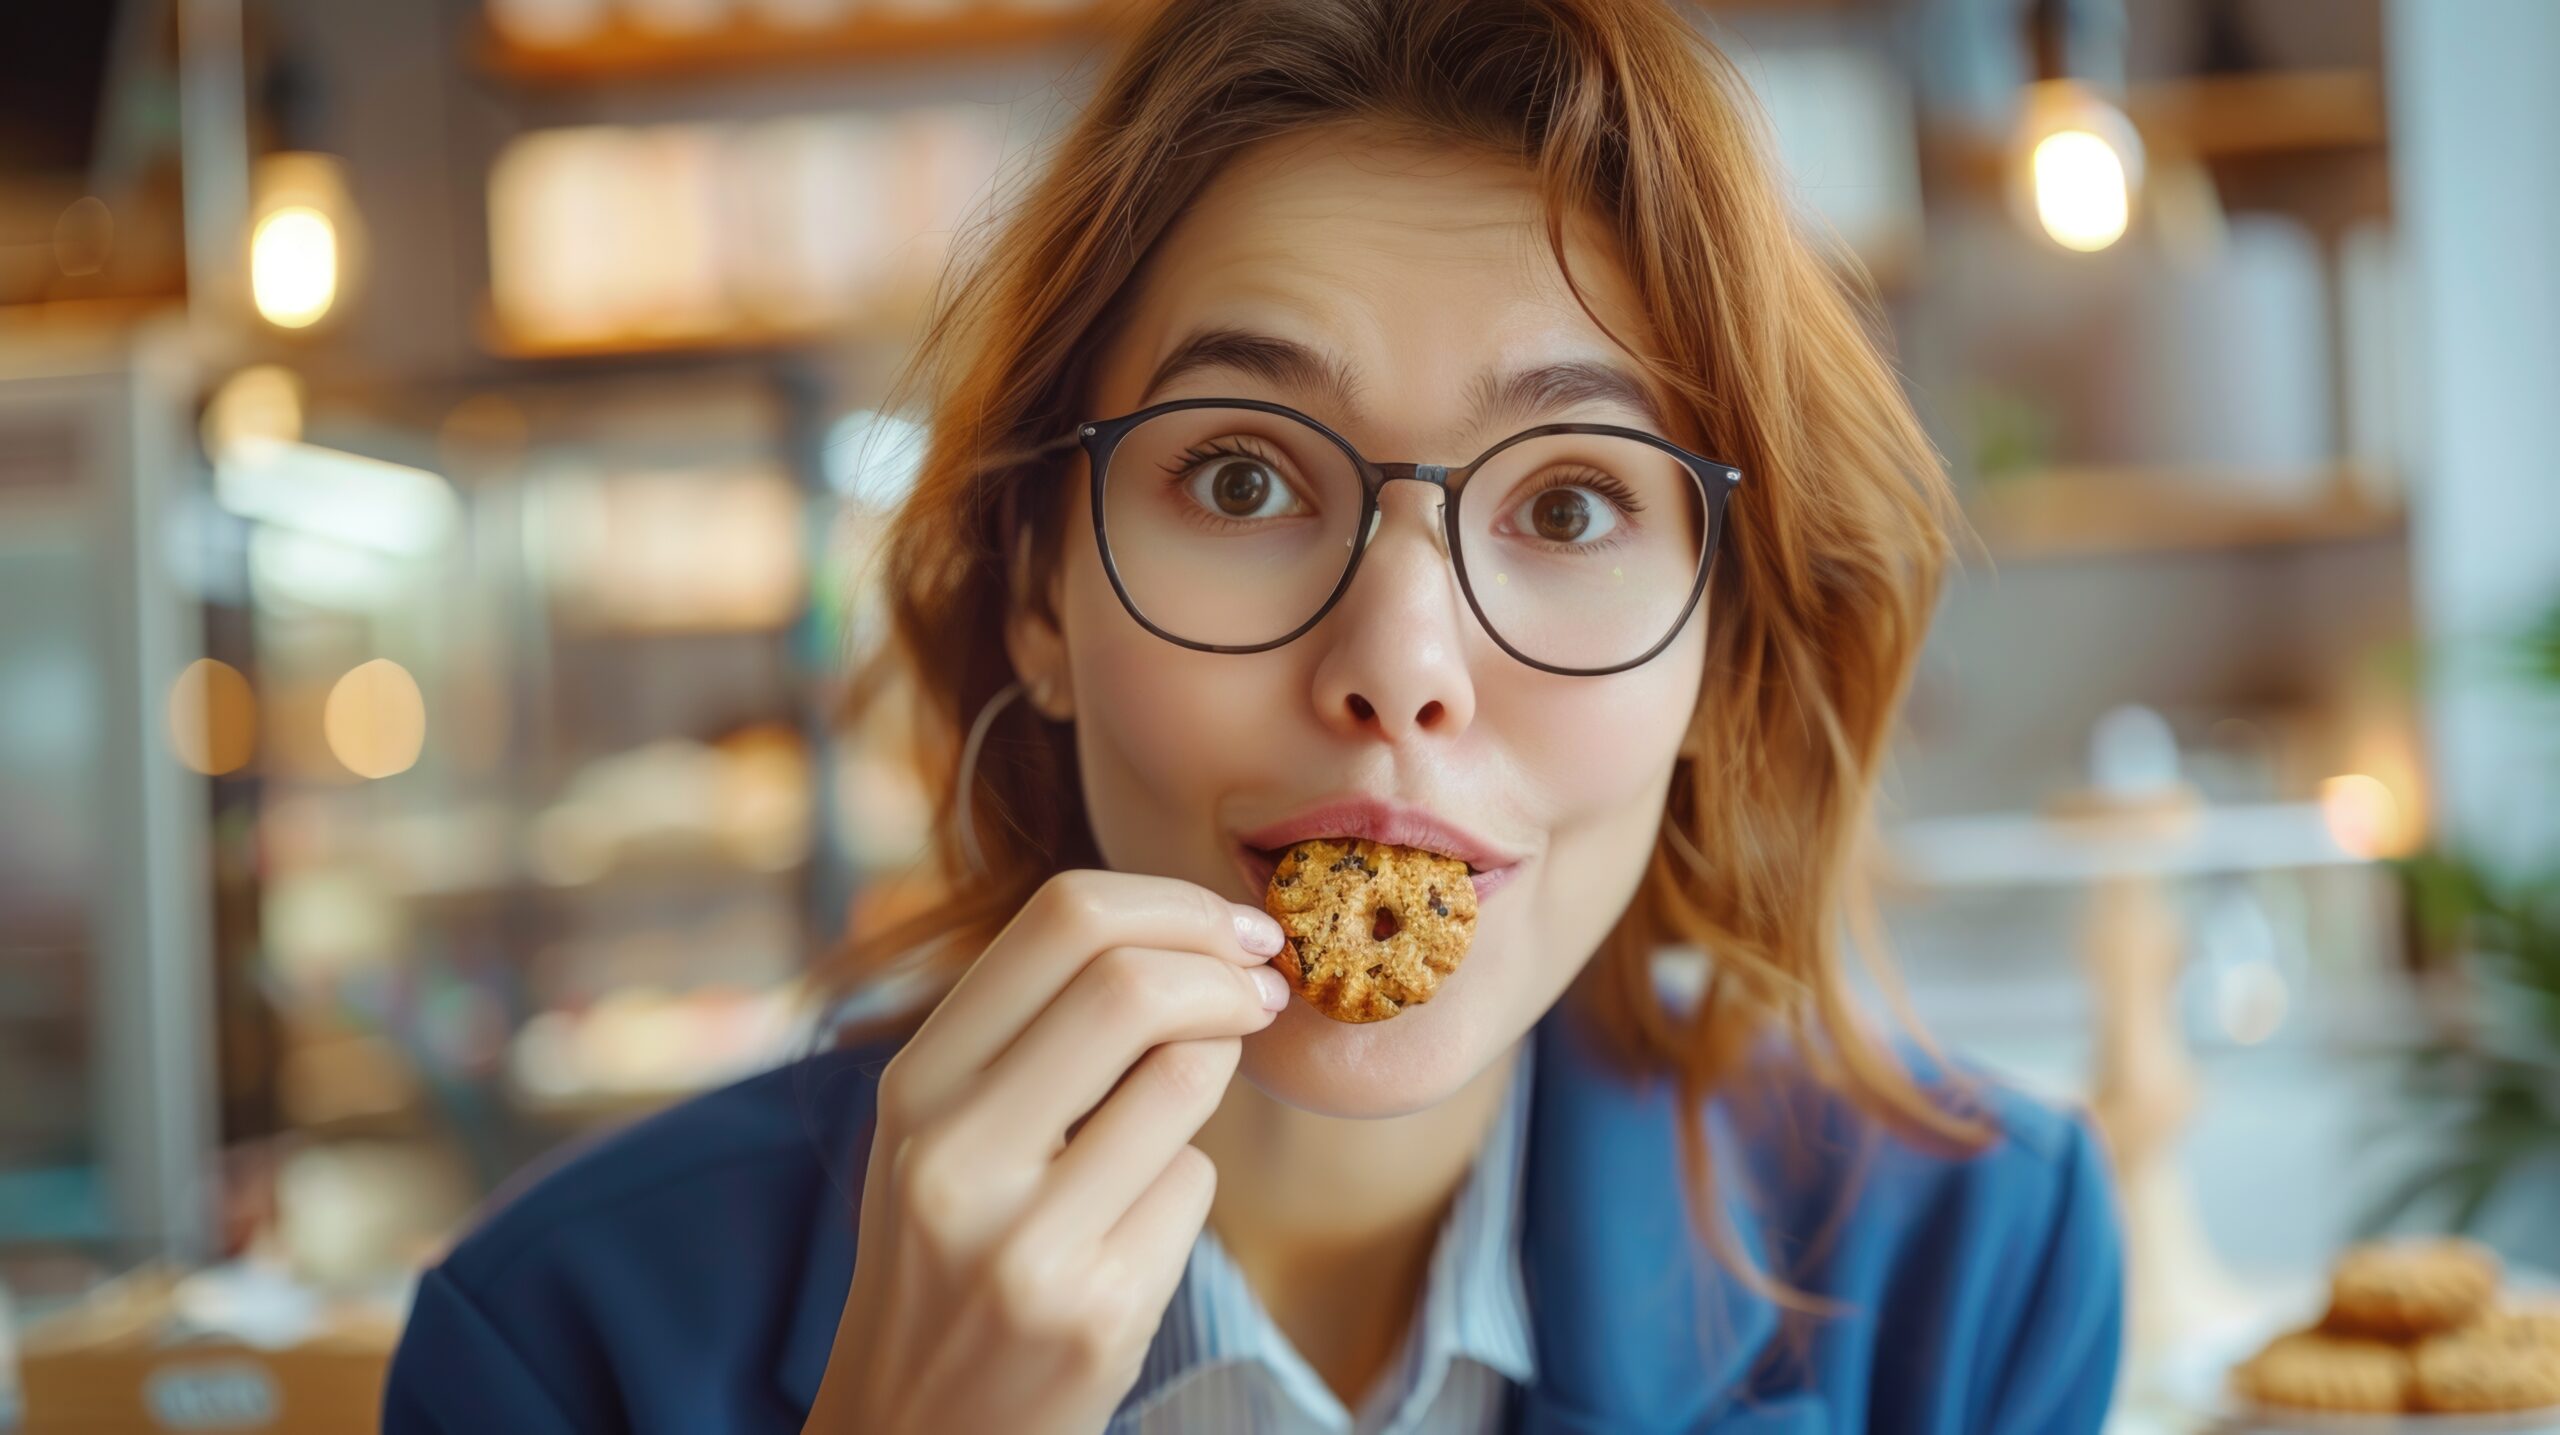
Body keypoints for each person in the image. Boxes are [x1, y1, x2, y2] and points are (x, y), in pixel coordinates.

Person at [383, 0, 2125, 1430]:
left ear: (1718, 658)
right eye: (1238, 476)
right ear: (1036, 592)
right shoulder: (556, 1345)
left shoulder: (1971, 1272)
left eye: (1574, 505)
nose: (1404, 661)